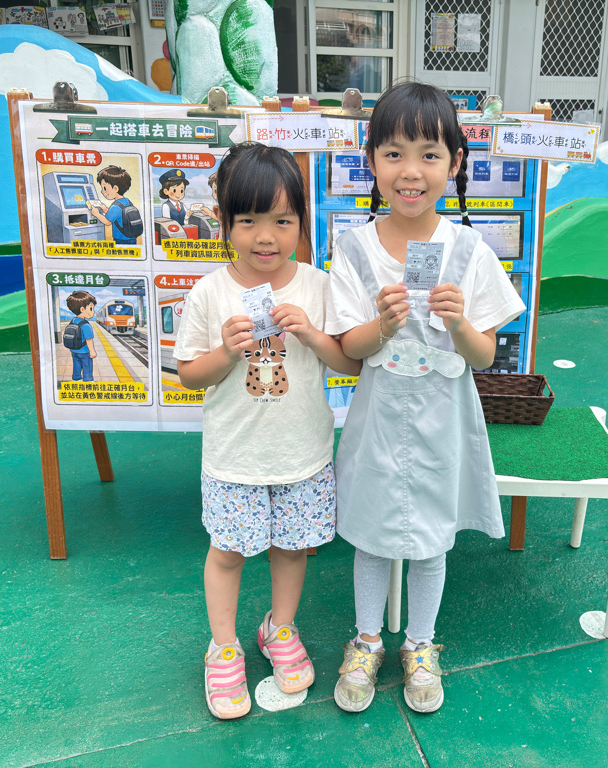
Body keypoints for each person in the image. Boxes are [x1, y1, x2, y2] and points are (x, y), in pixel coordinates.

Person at [325, 82, 526, 714]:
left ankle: (420, 644)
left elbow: (484, 356)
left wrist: (460, 322)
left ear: (455, 162)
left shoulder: (470, 250)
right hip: (379, 418)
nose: (410, 171)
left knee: (433, 538)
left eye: (429, 154)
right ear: (371, 160)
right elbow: (350, 347)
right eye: (394, 153)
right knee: (371, 535)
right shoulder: (353, 247)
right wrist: (382, 325)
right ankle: (366, 640)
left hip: (445, 420)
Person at [174, 142, 359, 720]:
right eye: (249, 220)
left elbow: (349, 363)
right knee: (228, 552)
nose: (266, 237)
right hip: (234, 458)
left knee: (292, 549)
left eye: (282, 221)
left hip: (303, 453)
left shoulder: (317, 286)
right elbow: (189, 375)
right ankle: (223, 645)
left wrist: (311, 334)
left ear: (302, 220)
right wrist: (225, 352)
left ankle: (279, 629)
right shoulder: (210, 292)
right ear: (223, 221)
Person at [90, 166, 138, 245]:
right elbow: (119, 216)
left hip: (121, 239)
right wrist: (105, 209)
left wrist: (97, 214)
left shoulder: (115, 206)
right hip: (131, 237)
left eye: (104, 188)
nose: (102, 191)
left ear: (115, 188)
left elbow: (107, 222)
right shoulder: (127, 202)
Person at [65, 290, 97, 382]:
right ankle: (88, 380)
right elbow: (89, 340)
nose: (93, 312)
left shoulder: (73, 321)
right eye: (91, 308)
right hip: (84, 351)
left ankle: (76, 378)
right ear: (82, 309)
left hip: (74, 350)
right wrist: (92, 351)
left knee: (76, 365)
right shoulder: (86, 325)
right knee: (87, 365)